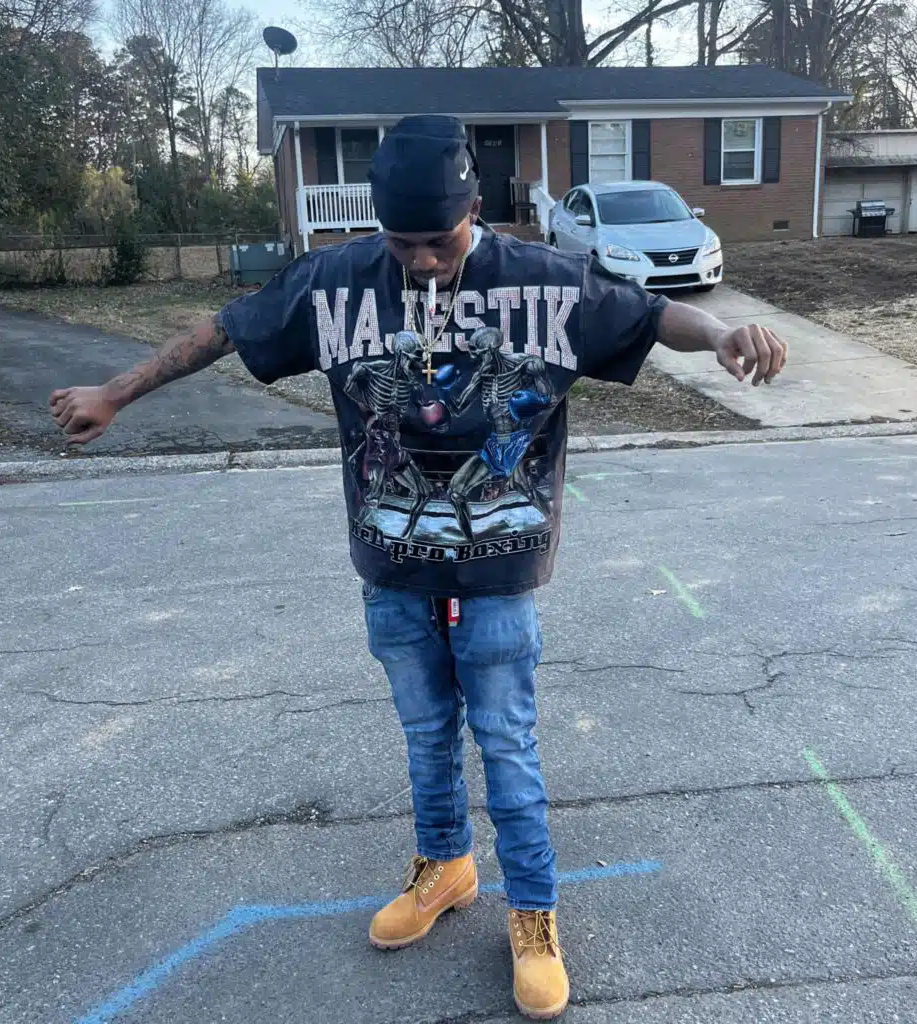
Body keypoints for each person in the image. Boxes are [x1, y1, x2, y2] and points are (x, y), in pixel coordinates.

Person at [49, 115, 786, 1020]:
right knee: (426, 732)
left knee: (506, 741)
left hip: (500, 564)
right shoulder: (335, 282)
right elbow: (227, 330)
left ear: (475, 210)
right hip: (392, 560)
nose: (424, 262)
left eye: (440, 241)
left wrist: (721, 333)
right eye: (403, 245)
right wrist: (114, 393)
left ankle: (533, 912)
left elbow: (647, 314)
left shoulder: (542, 279)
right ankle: (445, 866)